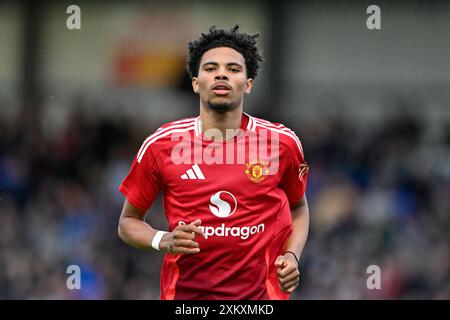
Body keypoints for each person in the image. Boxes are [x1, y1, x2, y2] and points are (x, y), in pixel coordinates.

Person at [118, 25, 310, 300]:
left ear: (249, 83)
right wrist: (163, 240)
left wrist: (291, 255)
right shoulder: (162, 145)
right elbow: (128, 221)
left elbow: (299, 208)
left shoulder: (282, 143)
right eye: (210, 68)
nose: (221, 74)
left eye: (233, 69)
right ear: (196, 83)